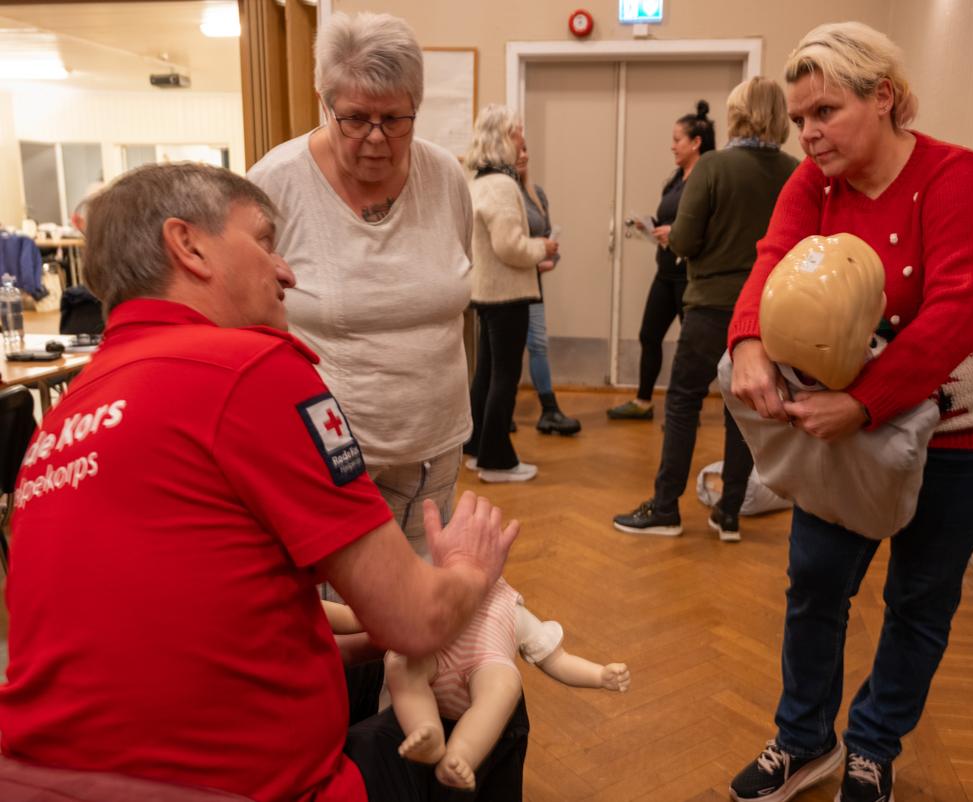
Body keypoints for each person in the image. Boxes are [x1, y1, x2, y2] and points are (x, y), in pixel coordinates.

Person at [0, 163, 519, 802]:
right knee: (487, 699)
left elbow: (197, 602)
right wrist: (470, 571)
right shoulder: (250, 367)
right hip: (234, 789)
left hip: (37, 775)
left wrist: (364, 630)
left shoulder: (67, 413)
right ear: (188, 246)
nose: (286, 270)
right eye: (266, 240)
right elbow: (417, 620)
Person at [726, 23, 973, 802]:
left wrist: (863, 402)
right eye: (798, 119)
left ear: (883, 95)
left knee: (919, 596)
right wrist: (748, 340)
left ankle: (873, 746)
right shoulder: (811, 186)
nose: (809, 133)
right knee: (817, 580)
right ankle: (804, 740)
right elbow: (770, 259)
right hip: (855, 419)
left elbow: (957, 313)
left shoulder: (964, 178)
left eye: (824, 111)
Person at [248, 11, 473, 559]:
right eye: (354, 118)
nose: (376, 138)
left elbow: (452, 289)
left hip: (436, 452)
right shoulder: (273, 186)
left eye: (395, 119)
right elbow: (246, 324)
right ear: (324, 101)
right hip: (331, 461)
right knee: (347, 624)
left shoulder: (445, 177)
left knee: (423, 613)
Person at [613, 78, 798, 541]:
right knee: (745, 408)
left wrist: (672, 238)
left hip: (711, 308)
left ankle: (665, 508)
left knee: (681, 404)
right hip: (768, 316)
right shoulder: (797, 172)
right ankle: (729, 512)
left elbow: (686, 240)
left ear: (738, 114)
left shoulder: (713, 167)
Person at [349, 580, 629, 790]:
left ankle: (461, 754)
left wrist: (599, 675)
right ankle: (426, 730)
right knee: (402, 664)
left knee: (503, 685)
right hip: (424, 695)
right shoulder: (433, 591)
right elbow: (375, 623)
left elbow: (556, 660)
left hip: (475, 696)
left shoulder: (508, 609)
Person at [463, 104, 558, 483]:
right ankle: (497, 459)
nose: (522, 140)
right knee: (505, 375)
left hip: (486, 294)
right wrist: (543, 249)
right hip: (506, 295)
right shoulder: (502, 186)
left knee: (486, 372)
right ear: (504, 137)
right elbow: (511, 247)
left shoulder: (479, 181)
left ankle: (476, 446)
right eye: (517, 132)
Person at [607, 101, 716, 420]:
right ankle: (643, 402)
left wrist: (679, 233)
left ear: (696, 142)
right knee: (648, 335)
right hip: (665, 272)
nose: (672, 146)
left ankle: (686, 412)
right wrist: (650, 224)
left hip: (689, 277)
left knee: (689, 348)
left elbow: (708, 226)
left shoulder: (707, 178)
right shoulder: (677, 178)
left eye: (677, 139)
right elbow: (670, 217)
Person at [514, 140, 581, 437]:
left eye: (527, 149)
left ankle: (549, 410)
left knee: (538, 344)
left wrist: (550, 254)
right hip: (510, 285)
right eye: (518, 150)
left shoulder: (536, 194)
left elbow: (547, 239)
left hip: (534, 284)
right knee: (508, 350)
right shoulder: (502, 194)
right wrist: (534, 254)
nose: (524, 155)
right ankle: (500, 414)